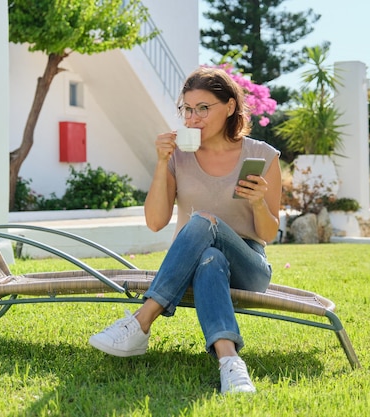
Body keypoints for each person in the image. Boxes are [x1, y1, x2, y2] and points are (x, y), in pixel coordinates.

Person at [89, 66, 282, 394]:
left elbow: (268, 235)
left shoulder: (261, 155)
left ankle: (141, 321)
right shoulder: (179, 156)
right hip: (197, 266)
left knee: (203, 220)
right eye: (187, 109)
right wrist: (162, 162)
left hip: (249, 265)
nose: (193, 118)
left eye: (203, 109)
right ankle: (229, 363)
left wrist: (259, 203)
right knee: (209, 258)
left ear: (230, 107)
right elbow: (155, 222)